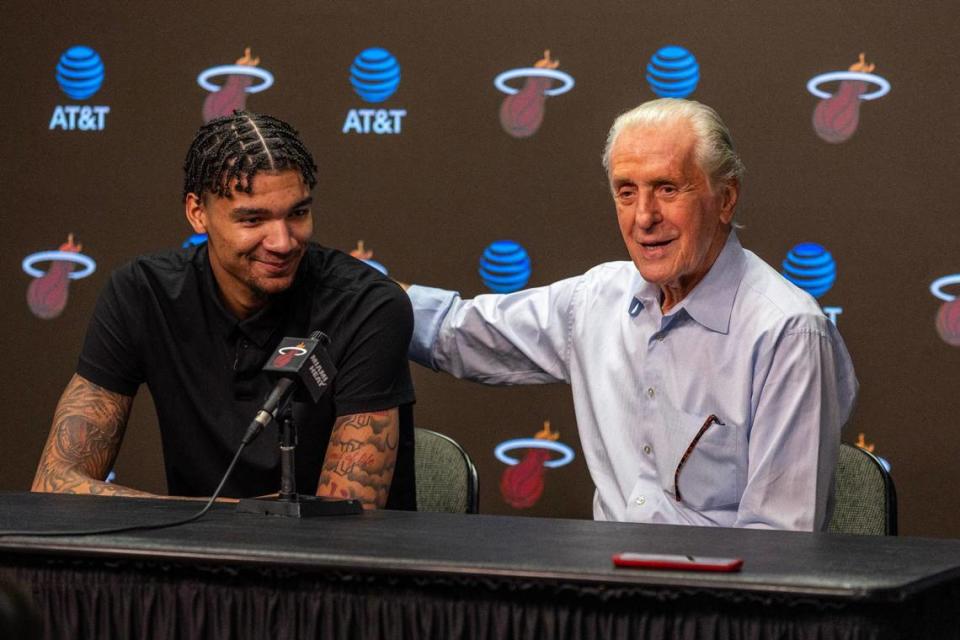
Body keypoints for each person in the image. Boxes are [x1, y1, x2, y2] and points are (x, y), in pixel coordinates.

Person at [407, 98, 857, 530]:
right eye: (627, 192)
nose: (644, 217)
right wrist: (346, 284)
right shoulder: (596, 299)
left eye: (667, 188)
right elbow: (457, 332)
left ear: (726, 199)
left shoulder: (789, 332)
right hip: (610, 592)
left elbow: (780, 546)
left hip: (721, 602)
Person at [32, 112, 416, 510]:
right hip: (192, 565)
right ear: (197, 212)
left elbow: (347, 517)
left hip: (330, 571)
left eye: (298, 213)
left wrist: (190, 521)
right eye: (253, 219)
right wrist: (200, 525)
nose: (283, 242)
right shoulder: (143, 293)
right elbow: (55, 481)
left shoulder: (368, 305)